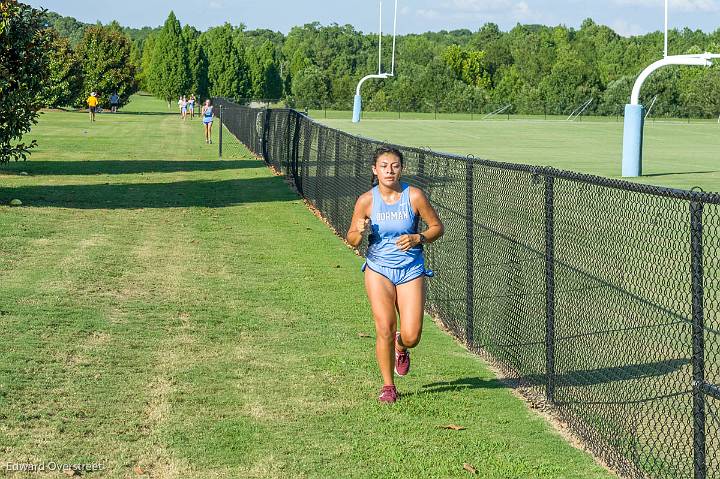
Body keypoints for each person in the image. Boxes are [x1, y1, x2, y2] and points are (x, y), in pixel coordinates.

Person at [346, 146, 444, 404]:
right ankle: (388, 386)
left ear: (402, 169)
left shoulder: (414, 196)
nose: (390, 170)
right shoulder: (366, 200)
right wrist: (359, 230)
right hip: (379, 268)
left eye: (395, 166)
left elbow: (437, 227)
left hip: (411, 268)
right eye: (384, 166)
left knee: (411, 335)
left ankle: (401, 347)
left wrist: (417, 237)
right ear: (374, 170)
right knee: (385, 327)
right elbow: (352, 240)